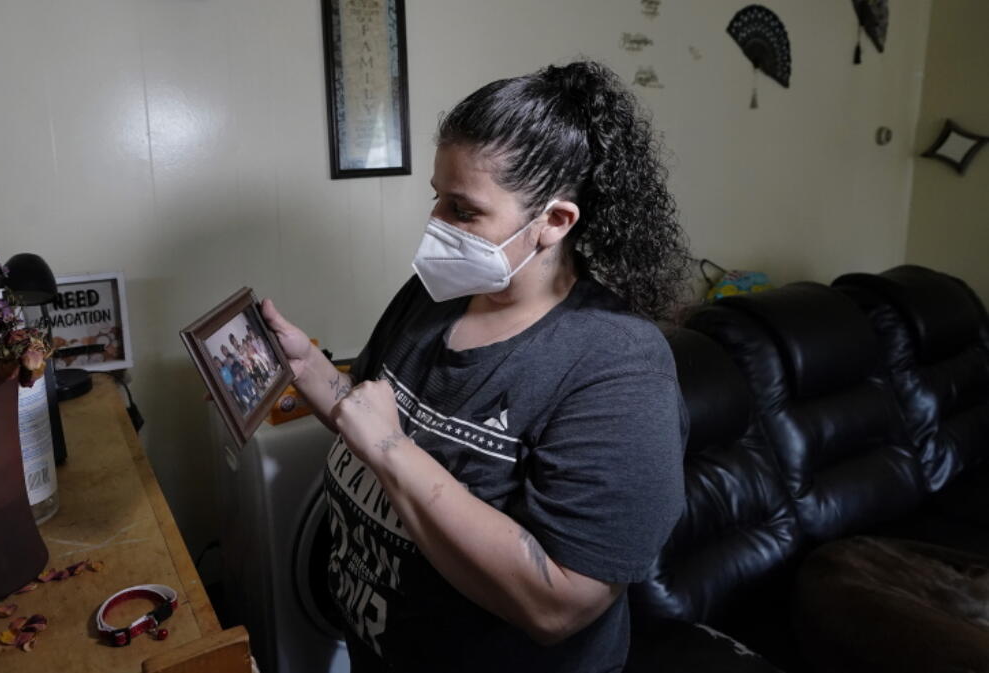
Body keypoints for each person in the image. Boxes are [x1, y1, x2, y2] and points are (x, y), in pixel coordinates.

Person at [261, 60, 690, 673]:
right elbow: (375, 413)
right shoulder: (431, 295)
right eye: (436, 198)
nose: (435, 227)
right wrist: (312, 373)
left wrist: (388, 450)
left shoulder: (619, 367)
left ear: (554, 222)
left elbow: (558, 605)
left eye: (463, 210)